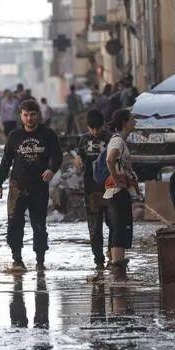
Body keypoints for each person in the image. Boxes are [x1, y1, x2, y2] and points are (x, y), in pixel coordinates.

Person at [0, 98, 63, 272]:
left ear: (38, 115)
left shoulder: (48, 134)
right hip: (17, 186)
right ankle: (17, 260)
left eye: (32, 115)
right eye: (26, 115)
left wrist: (51, 169)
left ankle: (40, 261)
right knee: (14, 224)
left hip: (39, 187)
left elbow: (57, 156)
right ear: (20, 116)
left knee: (39, 225)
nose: (29, 118)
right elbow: (6, 160)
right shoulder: (14, 136)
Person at [103, 108, 139, 275]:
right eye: (132, 119)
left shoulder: (119, 141)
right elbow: (110, 159)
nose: (135, 122)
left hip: (117, 192)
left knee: (119, 226)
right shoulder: (118, 142)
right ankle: (117, 265)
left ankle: (116, 262)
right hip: (117, 191)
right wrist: (117, 180)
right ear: (125, 123)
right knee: (119, 227)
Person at [75, 109, 109, 271]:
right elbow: (79, 154)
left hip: (110, 187)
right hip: (91, 190)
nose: (95, 132)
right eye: (92, 128)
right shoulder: (83, 140)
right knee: (95, 227)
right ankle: (98, 260)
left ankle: (113, 254)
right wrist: (78, 158)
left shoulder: (110, 139)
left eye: (98, 128)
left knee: (113, 223)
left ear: (103, 125)